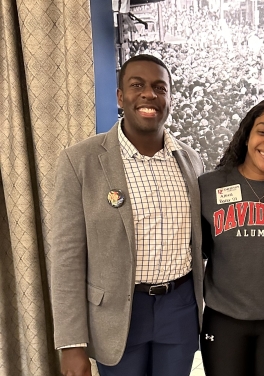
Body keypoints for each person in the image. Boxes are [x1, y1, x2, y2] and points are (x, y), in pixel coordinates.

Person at [50, 54, 204, 376]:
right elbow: (67, 259)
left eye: (160, 88)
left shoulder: (190, 161)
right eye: (138, 85)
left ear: (170, 99)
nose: (149, 94)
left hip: (179, 308)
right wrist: (72, 343)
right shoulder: (81, 161)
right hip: (117, 314)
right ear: (121, 97)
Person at [198, 99, 264, 376]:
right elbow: (202, 249)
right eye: (262, 131)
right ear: (246, 134)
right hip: (224, 319)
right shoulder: (209, 186)